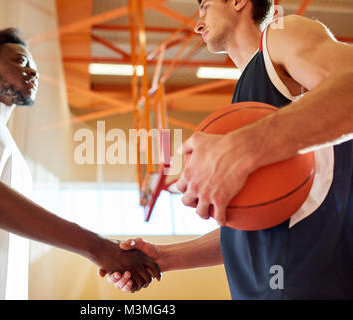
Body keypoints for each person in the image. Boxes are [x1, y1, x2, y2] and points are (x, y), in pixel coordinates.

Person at [104, 0, 353, 299]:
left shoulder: (282, 36)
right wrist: (164, 257)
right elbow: (256, 223)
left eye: (205, 7)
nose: (197, 24)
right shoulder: (244, 101)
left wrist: (245, 145)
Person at [0, 28, 160, 300]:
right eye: (21, 61)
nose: (34, 71)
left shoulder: (8, 146)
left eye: (35, 66)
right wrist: (98, 248)